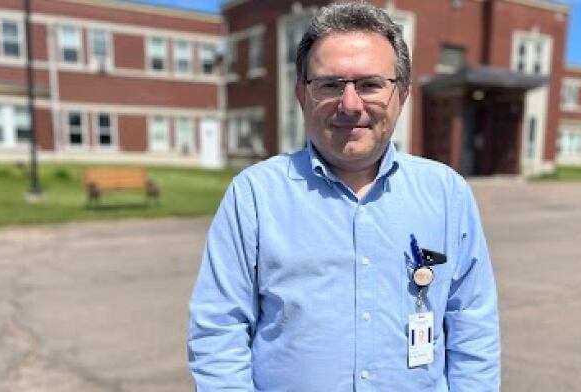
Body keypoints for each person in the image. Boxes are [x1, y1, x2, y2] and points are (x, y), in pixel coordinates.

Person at [187, 2, 500, 391]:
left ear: (401, 95)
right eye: (330, 85)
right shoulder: (254, 195)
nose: (350, 104)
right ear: (302, 95)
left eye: (370, 84)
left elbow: (473, 327)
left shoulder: (447, 194)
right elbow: (218, 329)